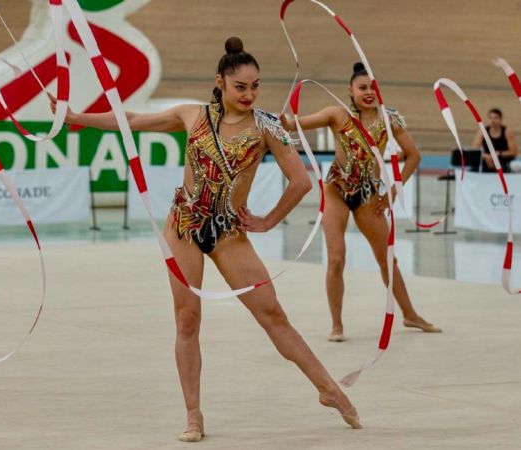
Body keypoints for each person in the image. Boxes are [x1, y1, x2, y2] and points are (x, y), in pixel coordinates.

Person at [54, 37, 361, 442]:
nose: (249, 94)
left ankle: (328, 388)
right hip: (183, 224)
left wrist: (269, 220)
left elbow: (302, 181)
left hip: (228, 231)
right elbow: (132, 119)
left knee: (273, 315)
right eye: (241, 87)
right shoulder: (191, 115)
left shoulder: (267, 126)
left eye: (255, 86)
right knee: (187, 320)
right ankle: (194, 414)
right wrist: (76, 116)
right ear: (220, 82)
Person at [280, 62, 440, 342]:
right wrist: (285, 121)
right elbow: (295, 125)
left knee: (388, 259)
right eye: (362, 88)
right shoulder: (338, 114)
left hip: (368, 195)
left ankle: (410, 314)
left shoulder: (389, 118)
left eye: (372, 88)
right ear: (350, 91)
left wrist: (390, 194)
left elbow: (413, 156)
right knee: (336, 259)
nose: (368, 92)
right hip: (336, 190)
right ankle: (337, 325)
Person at [471, 108, 517, 173]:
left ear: (500, 119)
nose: (493, 120)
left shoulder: (507, 132)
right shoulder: (482, 131)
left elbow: (513, 152)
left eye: (495, 118)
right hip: (486, 158)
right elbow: (474, 150)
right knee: (475, 164)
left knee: (501, 165)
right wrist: (486, 156)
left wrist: (497, 154)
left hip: (502, 158)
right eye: (490, 118)